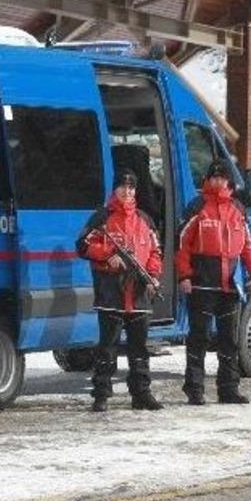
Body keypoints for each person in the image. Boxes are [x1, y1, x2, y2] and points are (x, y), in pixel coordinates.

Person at [76, 168, 164, 413]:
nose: (127, 191)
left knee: (140, 349)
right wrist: (107, 257)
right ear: (115, 189)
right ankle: (101, 394)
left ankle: (141, 394)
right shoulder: (102, 218)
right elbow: (82, 246)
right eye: (123, 187)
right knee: (107, 348)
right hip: (110, 295)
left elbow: (155, 252)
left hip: (139, 296)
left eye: (132, 187)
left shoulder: (145, 220)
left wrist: (153, 277)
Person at [176, 159, 251, 405]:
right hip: (202, 284)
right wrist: (184, 276)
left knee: (230, 340)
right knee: (199, 338)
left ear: (229, 181)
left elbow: (247, 247)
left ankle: (228, 389)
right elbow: (182, 245)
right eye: (213, 177)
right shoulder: (197, 206)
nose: (217, 181)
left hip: (230, 286)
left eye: (222, 177)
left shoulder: (238, 209)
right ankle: (194, 389)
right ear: (207, 180)